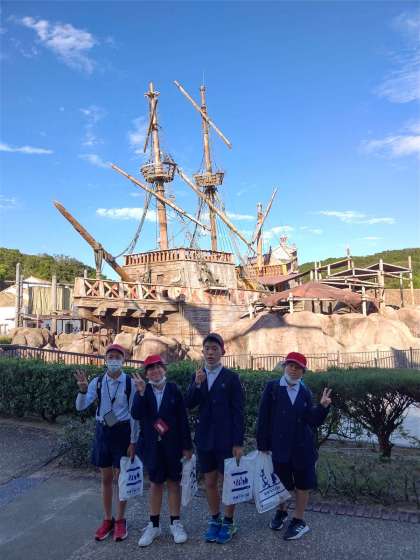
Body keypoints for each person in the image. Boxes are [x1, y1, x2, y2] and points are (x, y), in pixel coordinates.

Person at [256, 351, 332, 540]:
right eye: (291, 365)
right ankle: (281, 512)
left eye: (298, 368)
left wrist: (323, 407)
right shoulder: (272, 387)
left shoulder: (304, 391)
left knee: (302, 484)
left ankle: (298, 520)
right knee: (281, 483)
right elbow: (263, 417)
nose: (294, 370)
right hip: (279, 445)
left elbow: (311, 420)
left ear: (303, 372)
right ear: (284, 367)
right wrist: (262, 444)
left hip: (302, 447)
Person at [74, 343, 139, 542]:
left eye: (117, 357)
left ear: (124, 360)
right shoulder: (97, 382)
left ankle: (120, 519)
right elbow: (80, 407)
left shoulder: (130, 383)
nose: (113, 360)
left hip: (122, 432)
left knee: (121, 478)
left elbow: (135, 415)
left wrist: (133, 441)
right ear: (105, 360)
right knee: (106, 478)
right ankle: (107, 519)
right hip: (103, 431)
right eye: (110, 357)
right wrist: (83, 390)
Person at [185, 333, 244, 544]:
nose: (210, 353)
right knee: (209, 481)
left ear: (222, 352)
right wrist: (196, 384)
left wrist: (238, 442)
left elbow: (238, 412)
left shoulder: (231, 378)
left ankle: (229, 521)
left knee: (228, 482)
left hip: (226, 440)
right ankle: (215, 519)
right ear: (203, 352)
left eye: (214, 349)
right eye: (207, 349)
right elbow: (188, 403)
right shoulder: (198, 375)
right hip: (204, 438)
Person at [131, 355, 193, 547]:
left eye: (158, 367)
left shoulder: (173, 389)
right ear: (146, 373)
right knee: (156, 484)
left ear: (164, 369)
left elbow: (182, 419)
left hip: (173, 444)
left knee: (174, 483)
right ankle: (154, 525)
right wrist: (141, 393)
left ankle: (175, 523)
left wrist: (187, 446)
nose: (155, 371)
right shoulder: (144, 389)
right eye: (150, 369)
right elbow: (136, 414)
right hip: (152, 445)